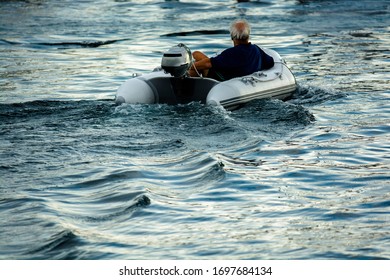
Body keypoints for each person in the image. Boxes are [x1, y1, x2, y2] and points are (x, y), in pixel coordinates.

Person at [188, 19, 274, 81]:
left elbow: (207, 64)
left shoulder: (231, 54)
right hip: (241, 77)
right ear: (248, 36)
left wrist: (188, 67)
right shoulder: (256, 49)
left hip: (220, 79)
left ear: (232, 37)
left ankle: (186, 92)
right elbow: (270, 62)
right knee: (197, 55)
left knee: (196, 56)